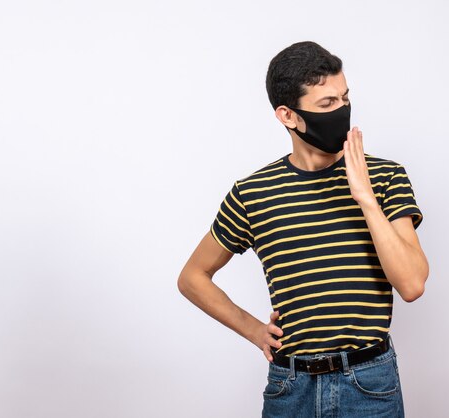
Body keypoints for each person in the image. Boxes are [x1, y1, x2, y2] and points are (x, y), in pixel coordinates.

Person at [177, 41, 429, 417]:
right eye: (327, 104)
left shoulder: (384, 176)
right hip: (290, 388)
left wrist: (365, 198)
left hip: (368, 384)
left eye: (345, 99)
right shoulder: (253, 193)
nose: (342, 111)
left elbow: (411, 284)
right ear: (288, 115)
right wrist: (252, 329)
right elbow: (193, 277)